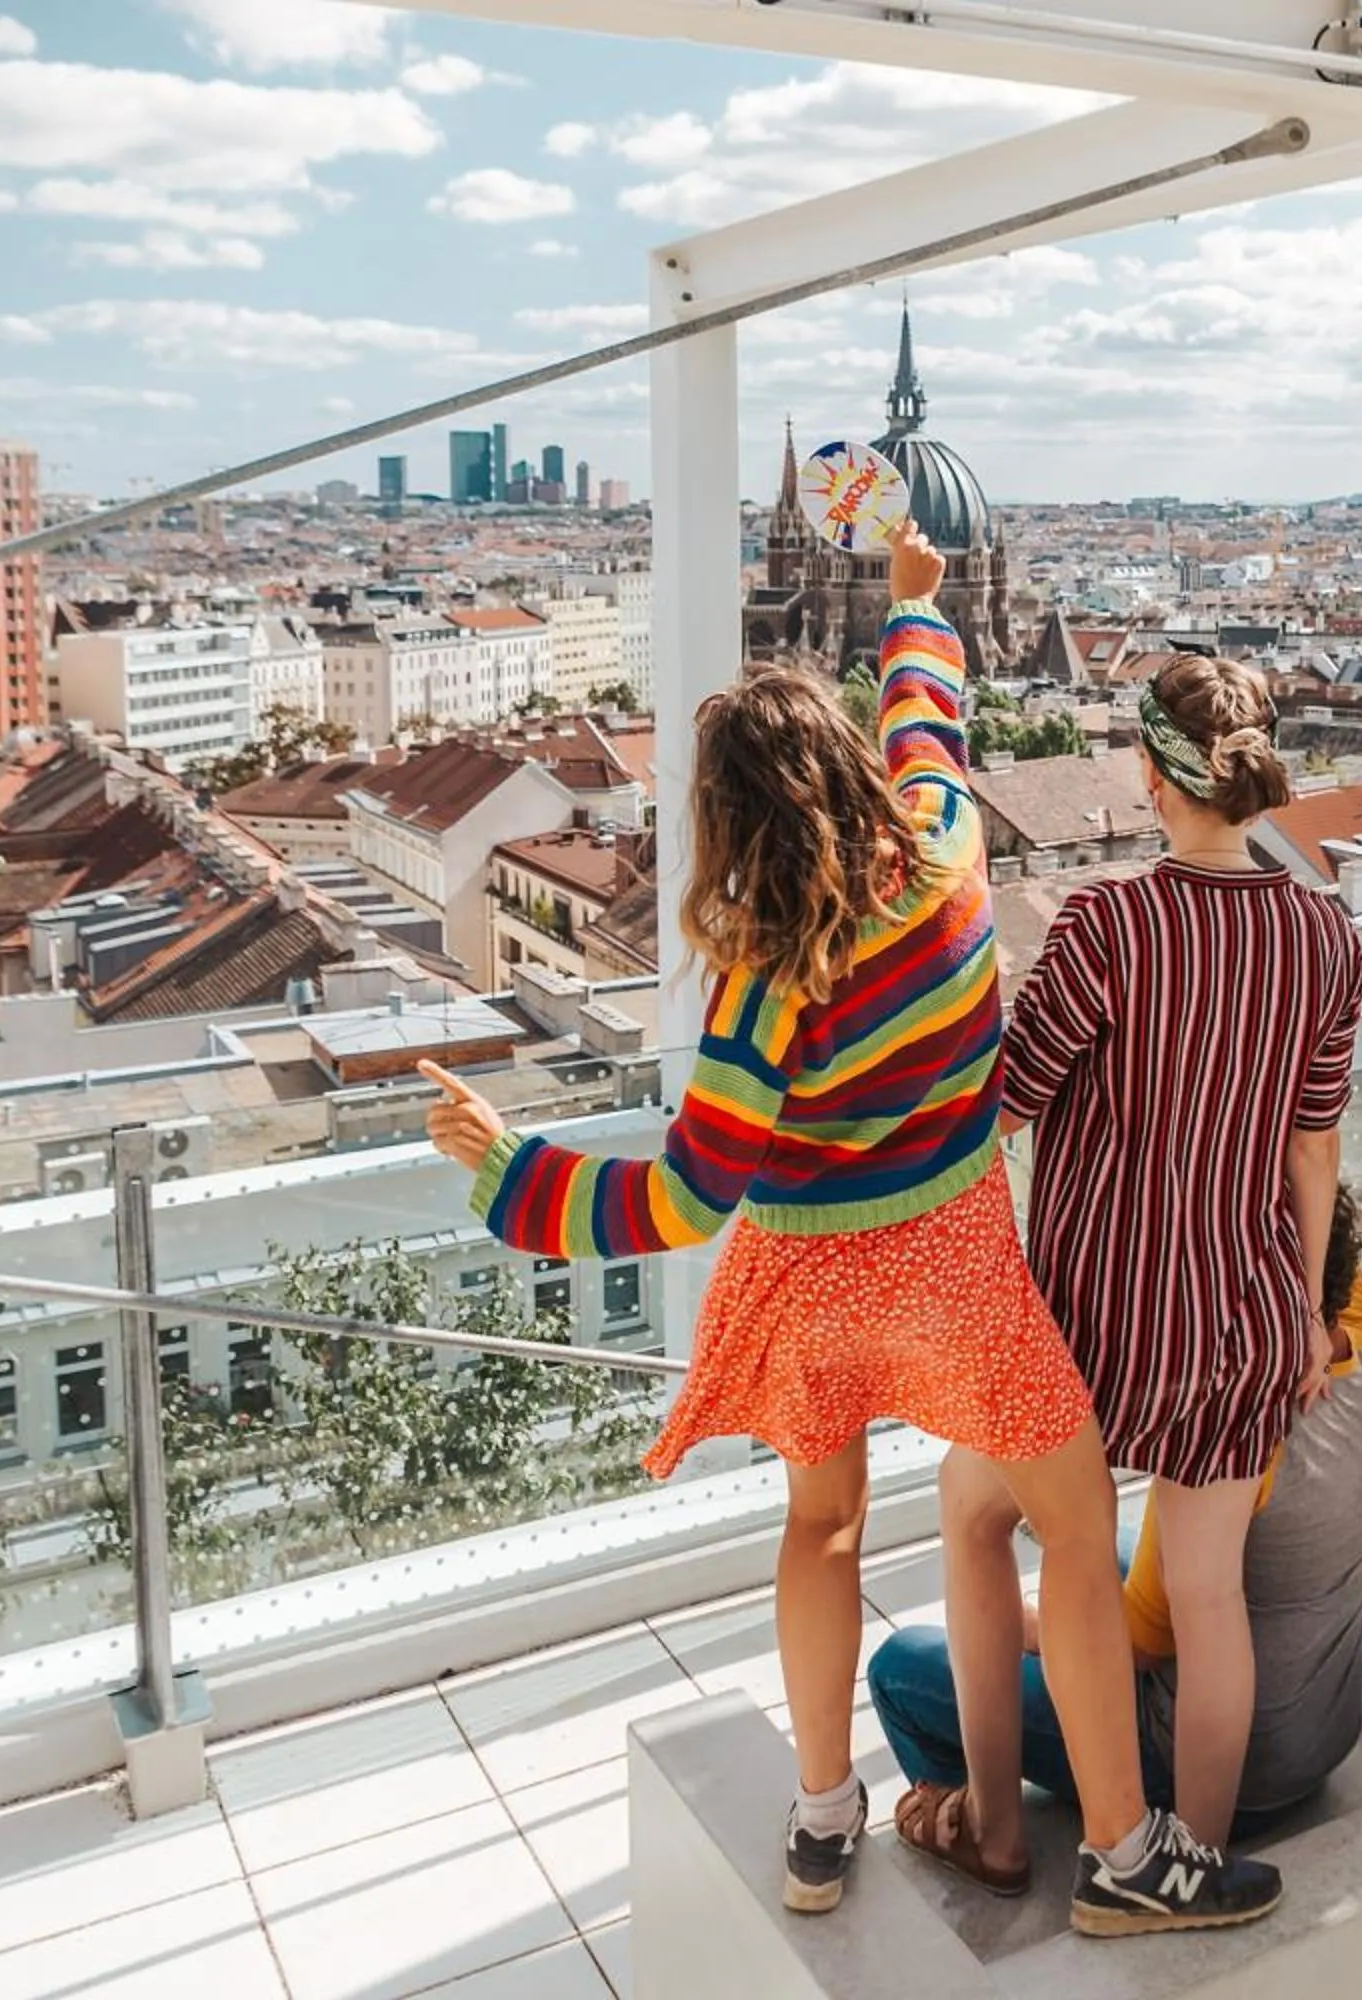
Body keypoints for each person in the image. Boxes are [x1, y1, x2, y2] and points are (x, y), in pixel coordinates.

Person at [422, 525, 1264, 1940]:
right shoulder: (948, 846)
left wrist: (512, 1169)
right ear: (849, 770)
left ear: (731, 824)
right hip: (955, 1259)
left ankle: (823, 1819)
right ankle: (1125, 1853)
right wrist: (916, 608)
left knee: (822, 1529)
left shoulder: (759, 982)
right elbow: (928, 717)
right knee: (1074, 1527)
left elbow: (684, 1197)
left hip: (805, 1275)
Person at [945, 649, 1362, 1886]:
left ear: (1150, 772)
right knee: (1207, 1593)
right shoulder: (1323, 934)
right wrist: (1306, 1311)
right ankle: (1195, 1861)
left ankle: (997, 1826)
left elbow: (1005, 1104)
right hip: (1242, 1312)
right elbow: (1315, 1146)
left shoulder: (1107, 924)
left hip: (1090, 1315)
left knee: (974, 1520)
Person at [868, 1200, 1362, 1844]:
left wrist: (1024, 1625)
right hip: (1328, 1734)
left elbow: (1137, 1645)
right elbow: (1311, 1194)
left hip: (1223, 1770)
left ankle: (976, 1830)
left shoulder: (1228, 1441)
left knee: (899, 1668)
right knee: (1132, 1549)